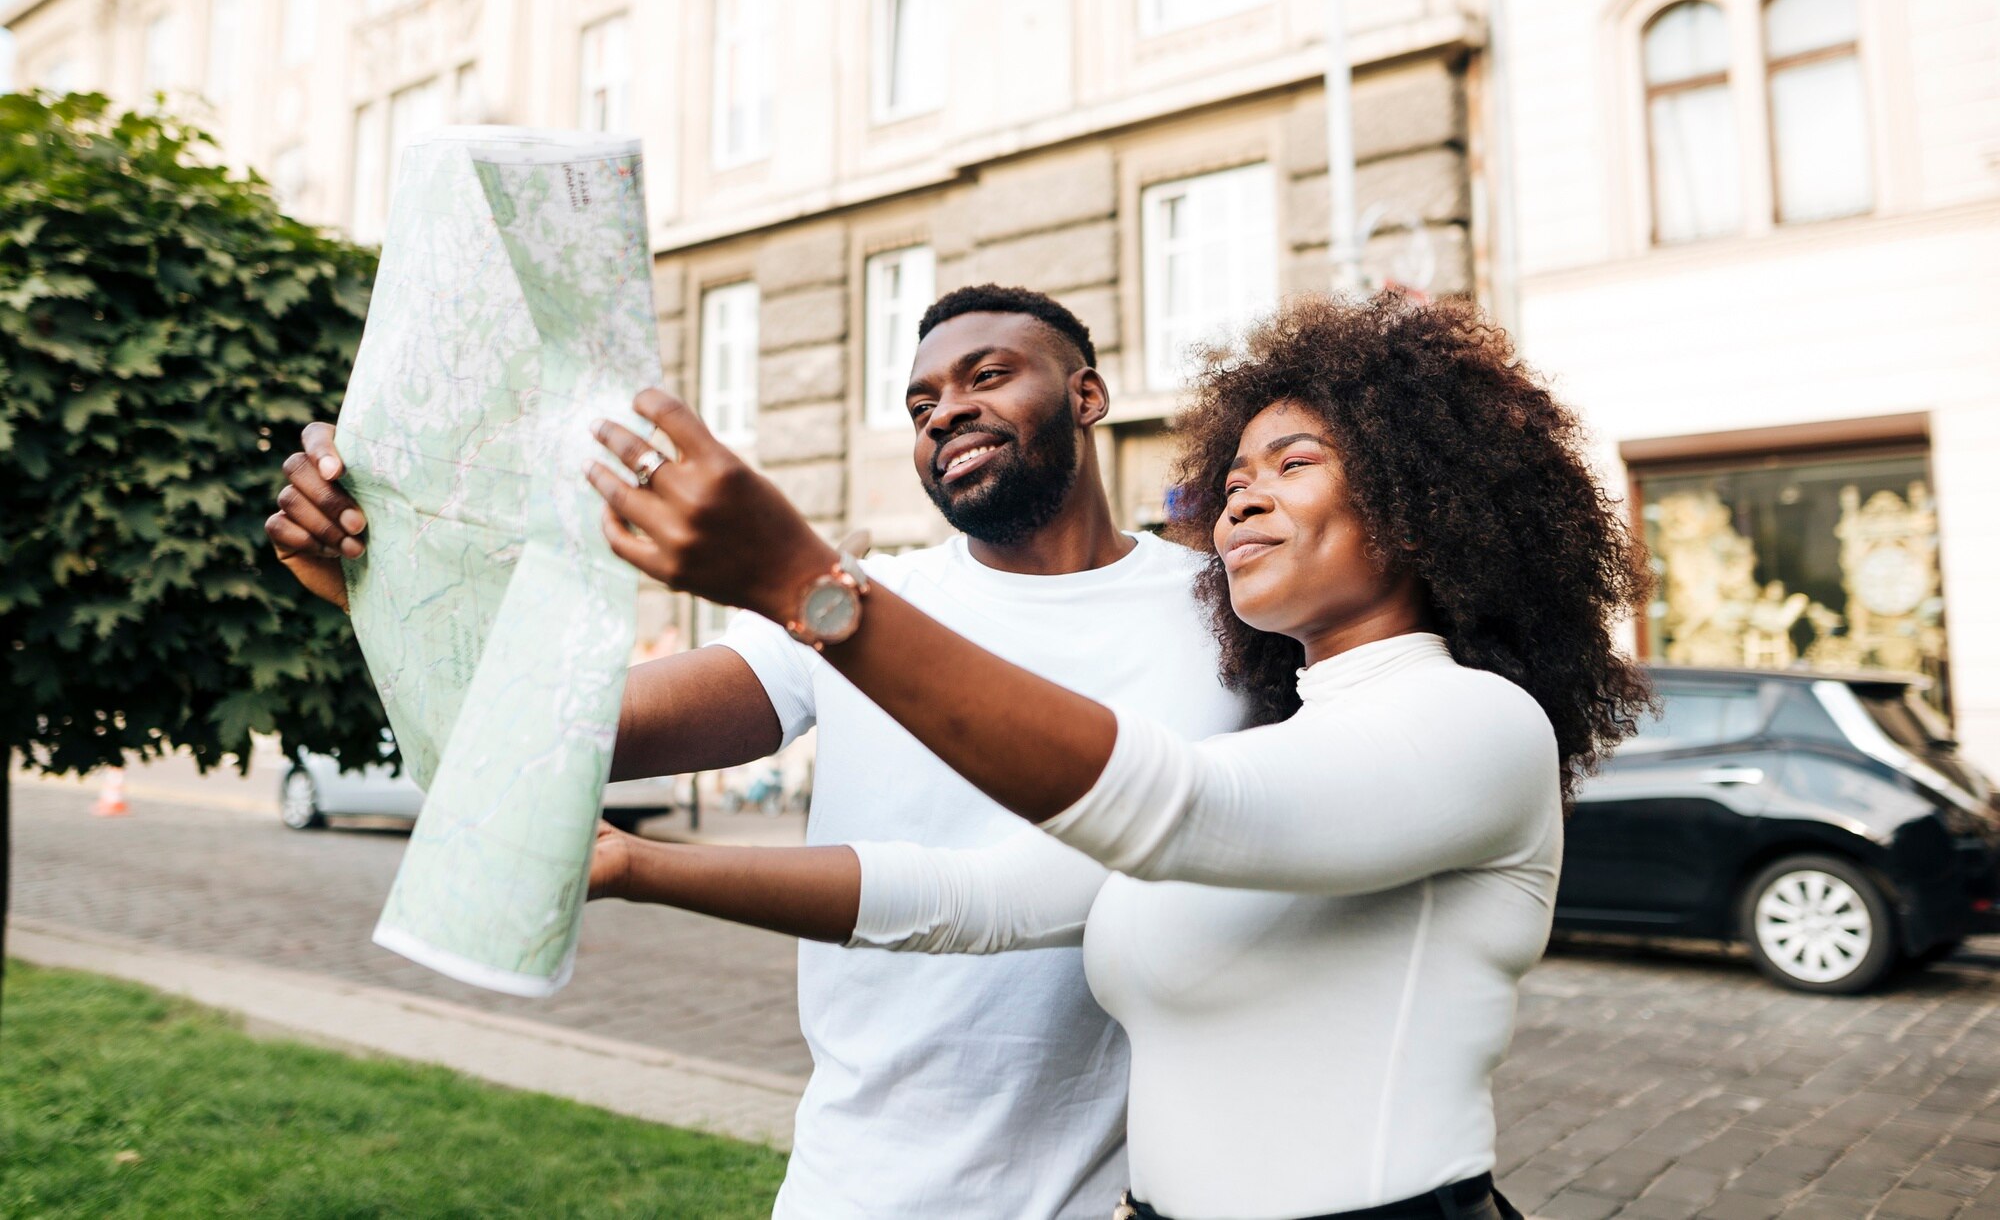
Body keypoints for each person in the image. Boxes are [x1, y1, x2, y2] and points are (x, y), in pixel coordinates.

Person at [580, 294, 1654, 1220]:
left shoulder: (1473, 724)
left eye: (1294, 462)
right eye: (1233, 472)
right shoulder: (1288, 731)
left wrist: (808, 587)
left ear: (1419, 508)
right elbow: (972, 898)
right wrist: (637, 868)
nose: (1239, 494)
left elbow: (1170, 807)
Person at [266, 284, 1249, 1220]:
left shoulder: (1232, 614)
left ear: (1087, 395)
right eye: (919, 402)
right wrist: (376, 587)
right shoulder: (842, 602)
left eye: (985, 377)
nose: (943, 412)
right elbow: (556, 725)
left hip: (1139, 1191)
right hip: (856, 1187)